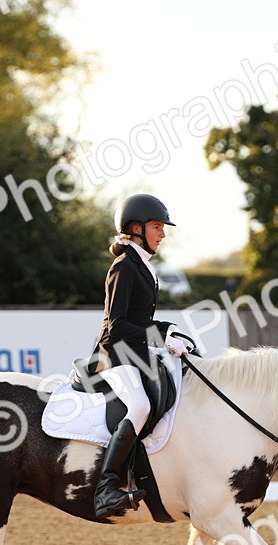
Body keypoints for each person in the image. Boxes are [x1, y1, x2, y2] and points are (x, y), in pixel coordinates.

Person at [89, 193, 192, 519]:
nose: (163, 234)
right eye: (157, 227)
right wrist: (160, 337)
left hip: (135, 353)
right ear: (136, 228)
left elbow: (142, 322)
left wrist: (169, 329)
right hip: (114, 355)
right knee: (141, 405)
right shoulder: (124, 267)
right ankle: (106, 488)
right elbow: (116, 327)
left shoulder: (143, 266)